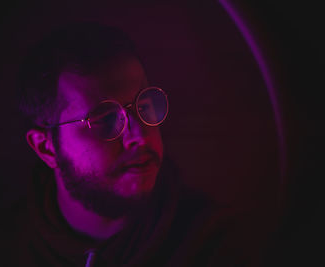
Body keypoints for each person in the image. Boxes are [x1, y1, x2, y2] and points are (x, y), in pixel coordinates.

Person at [15, 22, 255, 267]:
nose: (139, 136)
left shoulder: (216, 246)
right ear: (47, 147)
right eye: (105, 120)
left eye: (145, 106)